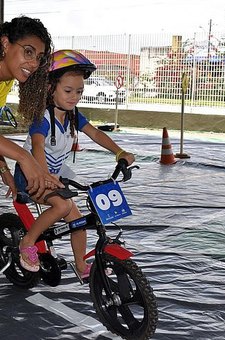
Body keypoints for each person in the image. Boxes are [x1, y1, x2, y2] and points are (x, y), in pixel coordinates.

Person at [14, 49, 135, 278]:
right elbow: (38, 147)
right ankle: (27, 242)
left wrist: (119, 152)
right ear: (51, 89)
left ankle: (81, 266)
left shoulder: (72, 115)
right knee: (62, 206)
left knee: (78, 220)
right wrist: (45, 176)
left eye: (79, 91)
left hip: (56, 173)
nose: (74, 97)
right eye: (68, 91)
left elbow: (96, 134)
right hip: (31, 173)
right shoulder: (43, 118)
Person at [0, 15, 63, 199]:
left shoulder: (5, 82)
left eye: (39, 58)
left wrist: (4, 170)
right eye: (28, 52)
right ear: (5, 44)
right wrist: (24, 157)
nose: (34, 63)